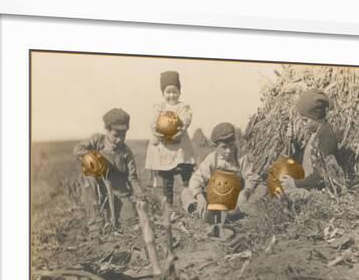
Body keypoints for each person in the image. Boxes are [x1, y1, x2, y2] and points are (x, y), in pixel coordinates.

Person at [73, 108, 143, 227]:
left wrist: (139, 193)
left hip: (119, 191)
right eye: (116, 135)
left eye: (123, 135)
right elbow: (77, 150)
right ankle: (94, 222)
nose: (120, 139)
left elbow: (132, 177)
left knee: (130, 220)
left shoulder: (126, 152)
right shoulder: (97, 140)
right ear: (107, 129)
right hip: (98, 188)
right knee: (88, 174)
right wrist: (96, 160)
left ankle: (114, 214)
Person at [181, 122, 260, 221]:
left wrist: (245, 191)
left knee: (259, 192)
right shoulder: (212, 159)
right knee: (186, 192)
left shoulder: (241, 158)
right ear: (216, 147)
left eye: (231, 145)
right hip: (216, 198)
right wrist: (200, 197)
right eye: (224, 147)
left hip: (235, 200)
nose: (229, 151)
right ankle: (199, 210)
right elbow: (196, 178)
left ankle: (233, 213)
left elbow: (252, 178)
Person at [144, 71, 196, 205]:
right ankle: (169, 202)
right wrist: (156, 131)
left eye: (175, 92)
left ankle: (188, 197)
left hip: (179, 144)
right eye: (168, 92)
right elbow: (153, 121)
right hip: (164, 145)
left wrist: (182, 128)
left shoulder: (182, 106)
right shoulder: (159, 107)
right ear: (163, 93)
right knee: (167, 175)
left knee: (186, 170)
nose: (171, 95)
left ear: (179, 92)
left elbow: (186, 118)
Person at [280, 89, 344, 193]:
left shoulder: (326, 136)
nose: (303, 124)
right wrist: (291, 142)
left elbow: (322, 175)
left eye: (305, 120)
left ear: (316, 118)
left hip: (320, 193)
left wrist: (295, 184)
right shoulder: (315, 133)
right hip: (309, 187)